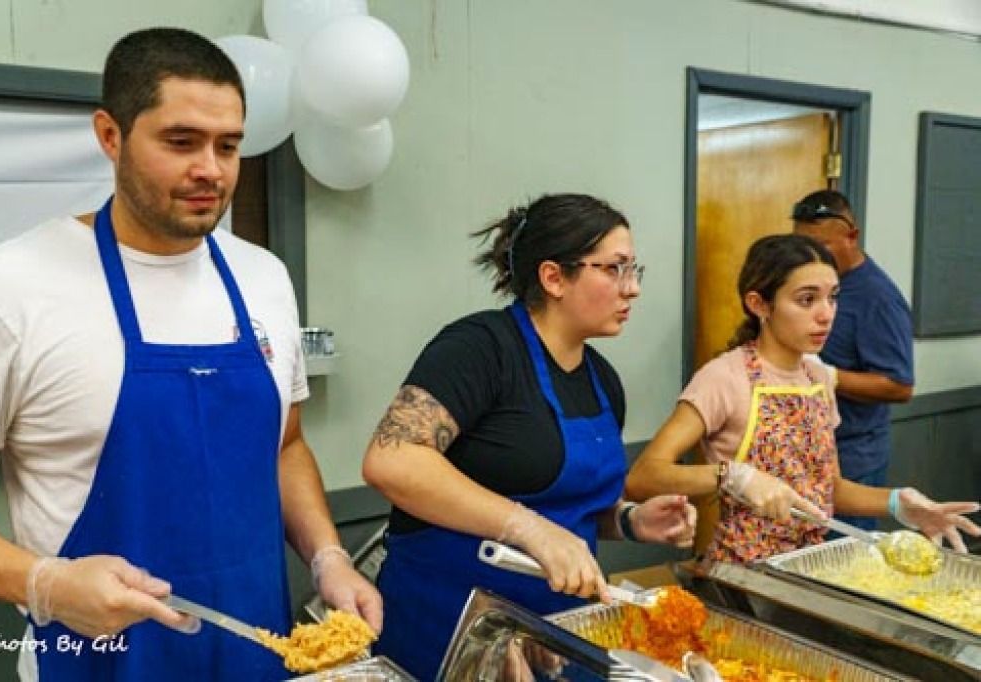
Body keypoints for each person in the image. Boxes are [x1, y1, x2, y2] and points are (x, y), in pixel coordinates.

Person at [0, 27, 380, 682]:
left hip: (256, 655)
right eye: (181, 142)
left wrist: (328, 556)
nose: (211, 168)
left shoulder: (263, 279)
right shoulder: (7, 289)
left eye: (229, 146)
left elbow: (286, 445)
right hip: (92, 664)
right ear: (110, 135)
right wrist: (44, 583)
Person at [362, 193, 698, 680]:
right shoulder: (479, 349)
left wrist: (630, 521)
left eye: (634, 270)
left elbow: (570, 507)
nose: (633, 290)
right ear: (554, 277)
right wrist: (527, 528)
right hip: (450, 627)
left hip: (553, 634)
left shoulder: (603, 381)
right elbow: (391, 460)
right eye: (615, 269)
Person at [625, 234, 979, 565]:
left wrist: (896, 503)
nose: (826, 314)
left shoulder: (818, 377)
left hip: (809, 567)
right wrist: (731, 476)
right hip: (743, 574)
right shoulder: (723, 378)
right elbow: (644, 476)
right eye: (806, 300)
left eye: (833, 297)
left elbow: (829, 489)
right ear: (759, 304)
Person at [792, 189, 914, 531]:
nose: (811, 256)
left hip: (853, 456)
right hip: (806, 451)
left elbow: (901, 386)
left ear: (852, 237)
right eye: (803, 246)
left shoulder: (878, 299)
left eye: (823, 246)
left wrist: (829, 376)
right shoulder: (804, 284)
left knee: (841, 560)